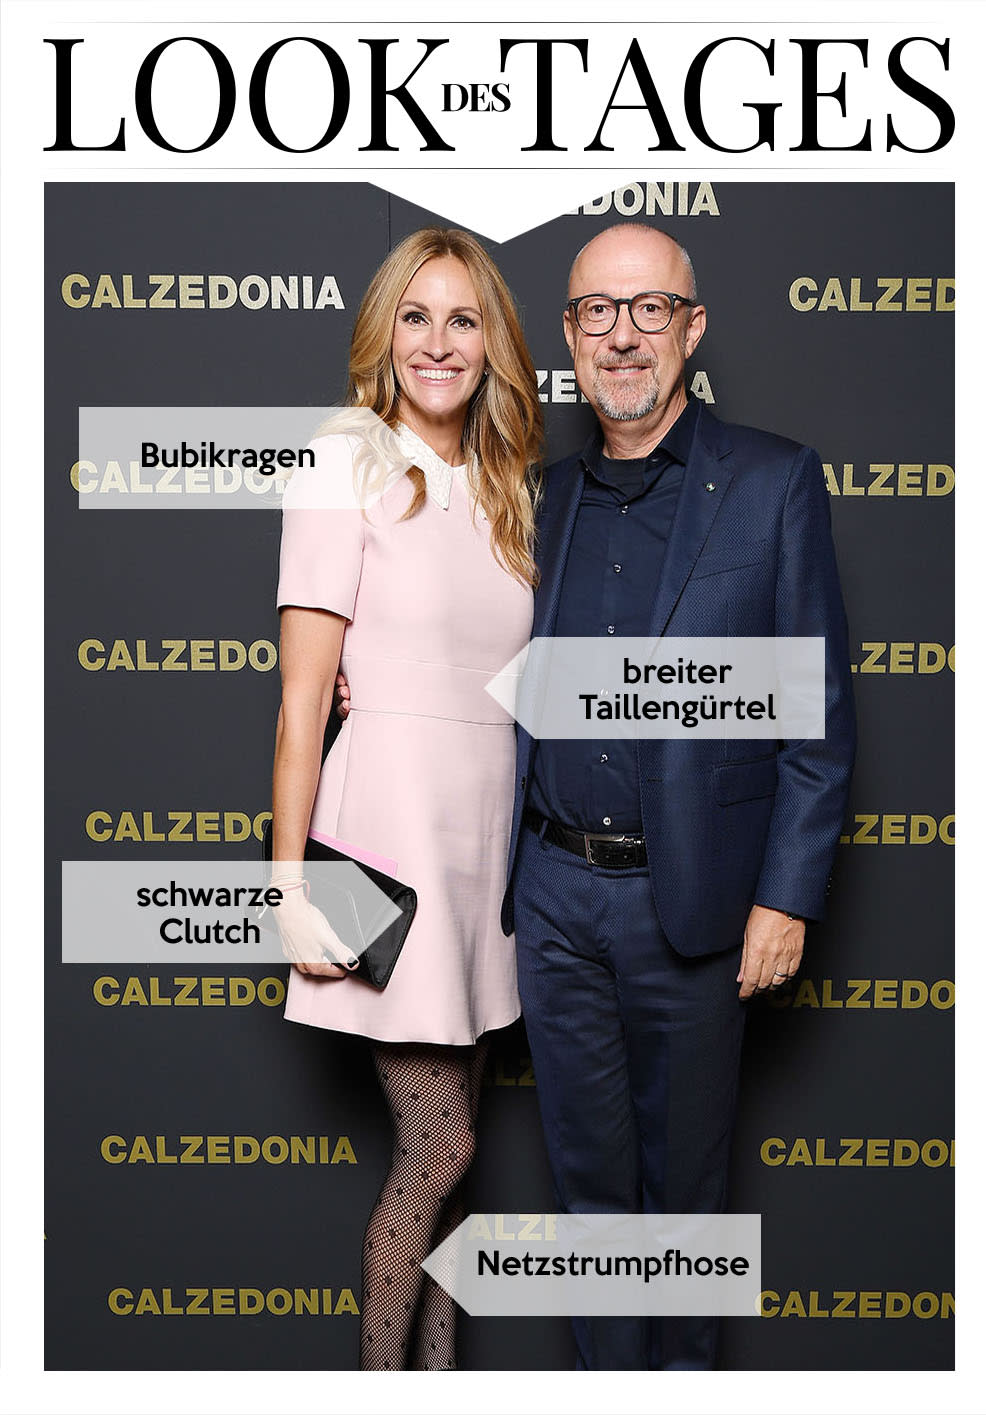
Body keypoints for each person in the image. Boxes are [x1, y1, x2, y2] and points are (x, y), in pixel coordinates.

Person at [500, 223, 856, 1370]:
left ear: (691, 328)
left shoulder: (770, 480)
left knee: (686, 1209)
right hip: (553, 899)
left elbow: (813, 710)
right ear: (568, 334)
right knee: (591, 1201)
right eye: (597, 311)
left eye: (649, 308)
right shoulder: (534, 499)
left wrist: (787, 897)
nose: (622, 335)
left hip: (693, 904)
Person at [270, 226, 543, 1370]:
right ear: (385, 334)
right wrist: (291, 884)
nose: (439, 342)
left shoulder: (508, 484)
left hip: (485, 837)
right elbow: (298, 703)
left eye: (464, 318)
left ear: (493, 344)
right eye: (417, 316)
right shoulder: (345, 457)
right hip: (385, 827)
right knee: (439, 1148)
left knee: (458, 1155)